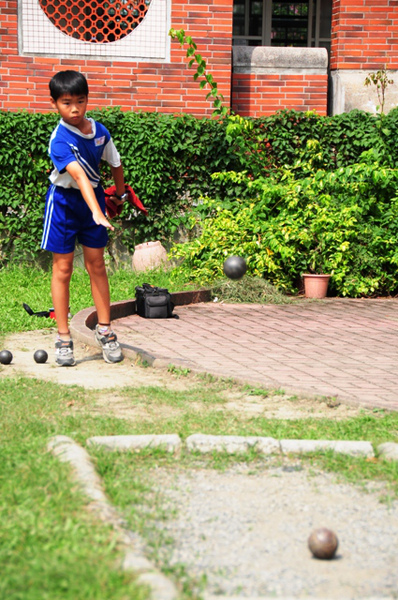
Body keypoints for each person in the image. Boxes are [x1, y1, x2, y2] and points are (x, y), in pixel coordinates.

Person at [41, 70, 128, 366]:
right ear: (54, 104)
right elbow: (77, 176)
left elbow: (115, 163)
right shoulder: (59, 139)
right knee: (63, 268)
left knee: (97, 265)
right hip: (65, 203)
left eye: (80, 101)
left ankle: (105, 331)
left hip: (94, 200)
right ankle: (64, 338)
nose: (75, 109)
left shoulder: (100, 131)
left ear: (88, 99)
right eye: (67, 103)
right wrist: (95, 210)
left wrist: (119, 194)